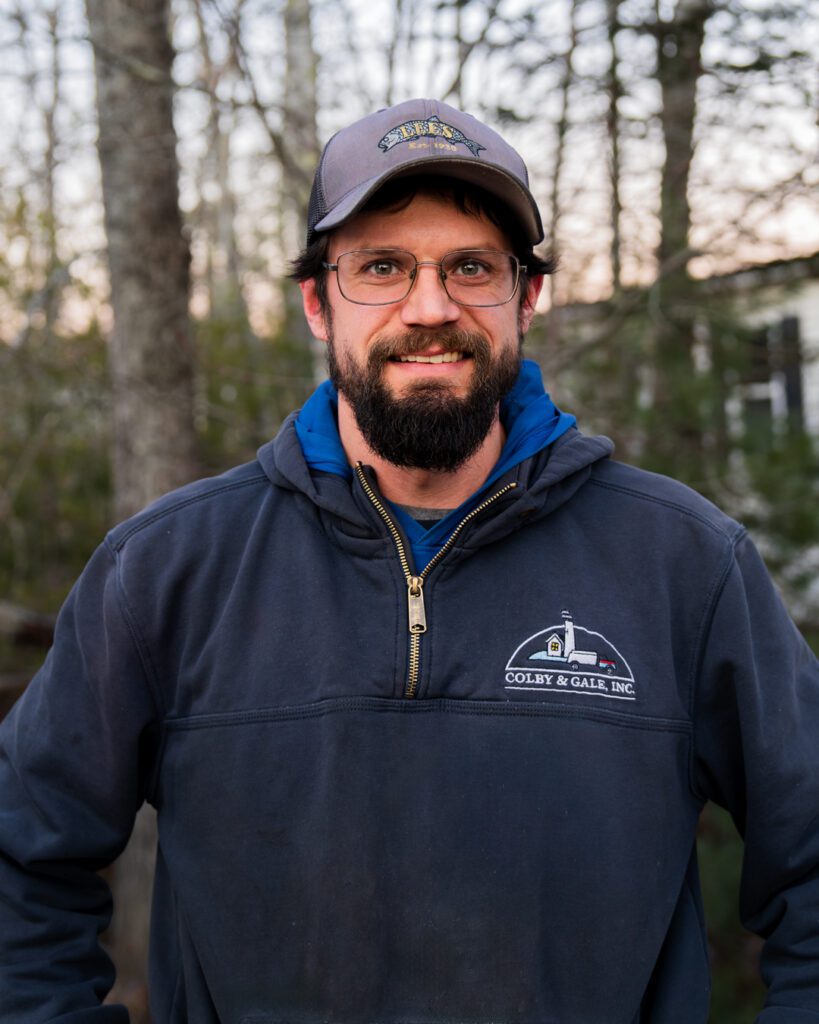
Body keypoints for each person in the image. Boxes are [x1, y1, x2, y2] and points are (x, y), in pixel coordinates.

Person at [1, 97, 818, 1024]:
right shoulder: (166, 570)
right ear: (318, 301)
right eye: (381, 267)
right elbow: (23, 858)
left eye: (471, 268)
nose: (429, 309)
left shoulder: (682, 564)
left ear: (526, 298)